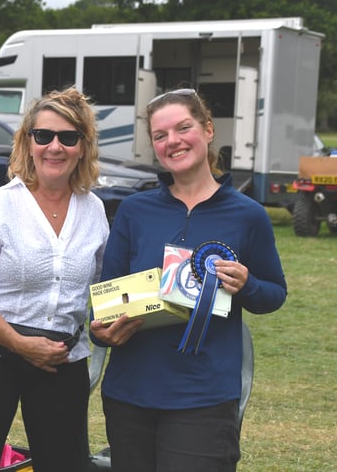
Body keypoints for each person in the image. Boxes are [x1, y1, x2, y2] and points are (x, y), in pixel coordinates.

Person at [91, 87, 287, 471]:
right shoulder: (134, 210)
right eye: (160, 136)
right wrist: (102, 332)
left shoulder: (248, 215)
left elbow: (274, 295)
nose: (173, 142)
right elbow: (107, 299)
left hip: (205, 397)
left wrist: (246, 283)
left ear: (208, 130)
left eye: (184, 128)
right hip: (130, 394)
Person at [0, 87, 110, 472]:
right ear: (27, 141)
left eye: (68, 137)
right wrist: (21, 344)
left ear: (83, 147)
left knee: (64, 464)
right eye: (44, 136)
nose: (55, 147)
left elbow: (101, 288)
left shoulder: (95, 211)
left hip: (62, 360)